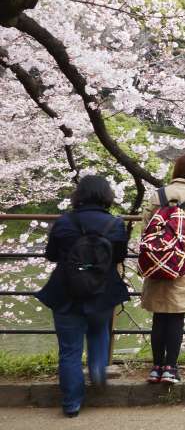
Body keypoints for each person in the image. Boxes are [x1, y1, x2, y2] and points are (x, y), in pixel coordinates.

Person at [34, 175, 130, 418]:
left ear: (79, 195)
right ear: (106, 195)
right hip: (102, 291)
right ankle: (98, 369)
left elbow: (52, 255)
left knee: (69, 350)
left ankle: (71, 404)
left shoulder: (64, 222)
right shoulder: (115, 224)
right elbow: (118, 257)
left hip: (66, 292)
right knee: (99, 331)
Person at [139, 153, 185, 385]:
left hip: (158, 259)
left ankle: (156, 368)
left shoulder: (158, 195)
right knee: (176, 316)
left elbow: (145, 230)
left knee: (159, 316)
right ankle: (171, 368)